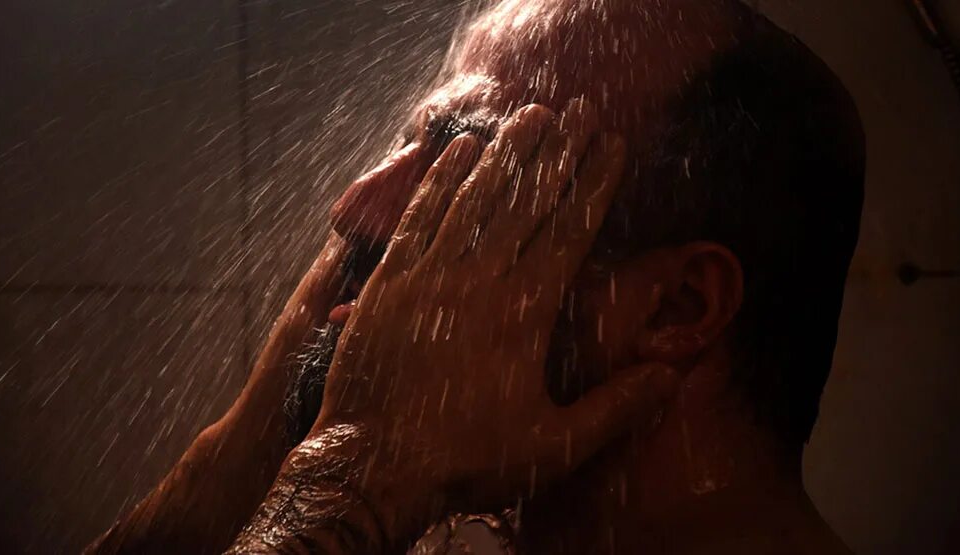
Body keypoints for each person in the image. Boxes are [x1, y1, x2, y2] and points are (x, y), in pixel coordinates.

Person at [89, 0, 865, 553]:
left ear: (676, 306)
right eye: (411, 145)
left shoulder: (371, 485)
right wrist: (242, 450)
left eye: (473, 161)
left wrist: (361, 469)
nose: (352, 208)